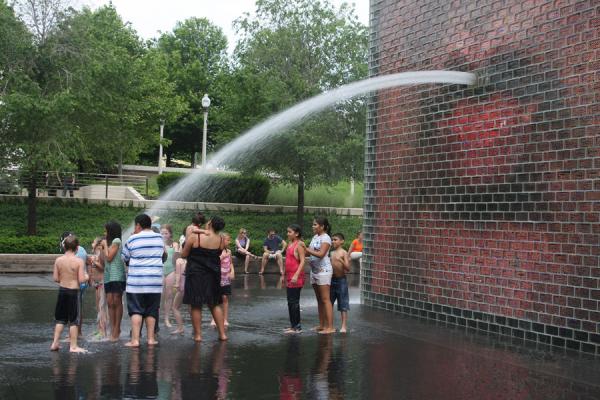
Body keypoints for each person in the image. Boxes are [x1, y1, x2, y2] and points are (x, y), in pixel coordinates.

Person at [181, 215, 228, 342]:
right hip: (213, 275)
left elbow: (184, 254)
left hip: (195, 274)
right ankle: (222, 334)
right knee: (214, 303)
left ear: (211, 223)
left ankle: (198, 335)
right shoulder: (222, 239)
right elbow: (217, 254)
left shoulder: (194, 237)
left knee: (196, 304)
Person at [121, 214, 165, 347]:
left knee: (136, 310)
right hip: (155, 282)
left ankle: (135, 340)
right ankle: (151, 339)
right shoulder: (159, 238)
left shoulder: (132, 239)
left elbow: (124, 257)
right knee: (152, 310)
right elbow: (163, 254)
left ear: (138, 225)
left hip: (137, 283)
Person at [50, 235, 89, 353]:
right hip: (73, 292)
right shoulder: (79, 261)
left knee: (60, 319)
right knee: (73, 320)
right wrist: (87, 276)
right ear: (77, 248)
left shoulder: (58, 260)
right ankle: (73, 346)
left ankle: (55, 343)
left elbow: (56, 278)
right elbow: (81, 279)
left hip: (62, 291)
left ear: (64, 247)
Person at [304, 217, 335, 334]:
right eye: (313, 224)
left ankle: (330, 327)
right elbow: (310, 252)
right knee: (319, 300)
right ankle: (322, 325)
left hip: (324, 271)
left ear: (322, 226)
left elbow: (321, 254)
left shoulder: (326, 238)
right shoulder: (315, 237)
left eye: (315, 224)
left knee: (326, 299)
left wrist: (306, 249)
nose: (313, 226)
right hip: (314, 271)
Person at [101, 221, 126, 342]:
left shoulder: (117, 241)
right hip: (108, 276)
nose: (104, 233)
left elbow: (109, 258)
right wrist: (99, 247)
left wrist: (105, 245)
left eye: (106, 231)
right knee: (110, 302)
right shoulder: (108, 243)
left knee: (117, 300)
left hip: (117, 275)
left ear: (111, 231)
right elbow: (103, 260)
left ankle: (117, 329)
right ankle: (112, 329)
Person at [284, 224, 306, 334]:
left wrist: (296, 275)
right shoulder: (290, 244)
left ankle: (297, 327)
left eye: (289, 232)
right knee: (290, 302)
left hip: (296, 277)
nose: (287, 234)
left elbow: (302, 261)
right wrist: (284, 274)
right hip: (289, 277)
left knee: (294, 302)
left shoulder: (299, 245)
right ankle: (293, 326)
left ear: (296, 233)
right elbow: (288, 260)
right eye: (287, 232)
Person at [212, 233, 234, 327]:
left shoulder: (229, 251)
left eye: (229, 240)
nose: (229, 242)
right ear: (221, 240)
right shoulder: (216, 251)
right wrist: (222, 256)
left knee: (225, 298)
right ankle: (214, 319)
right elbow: (213, 263)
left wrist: (232, 271)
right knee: (216, 299)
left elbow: (231, 263)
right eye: (227, 240)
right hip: (216, 278)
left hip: (226, 278)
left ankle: (225, 319)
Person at [330, 233, 351, 333]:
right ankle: (329, 325)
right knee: (329, 303)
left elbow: (348, 268)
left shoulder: (344, 252)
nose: (333, 241)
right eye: (332, 240)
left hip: (341, 280)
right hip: (331, 280)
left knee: (343, 304)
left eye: (335, 239)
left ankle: (343, 326)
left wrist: (341, 261)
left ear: (342, 241)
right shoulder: (331, 253)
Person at [160, 224, 180, 328]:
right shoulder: (158, 243)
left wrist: (177, 251)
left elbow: (177, 257)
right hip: (160, 270)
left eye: (166, 233)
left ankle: (167, 318)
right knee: (160, 295)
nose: (163, 235)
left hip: (171, 270)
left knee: (169, 295)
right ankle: (157, 315)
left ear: (170, 234)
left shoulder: (174, 244)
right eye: (162, 233)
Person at [90, 237, 109, 339]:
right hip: (96, 284)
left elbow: (104, 267)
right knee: (98, 308)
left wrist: (95, 262)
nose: (91, 243)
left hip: (101, 283)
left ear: (98, 245)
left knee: (102, 309)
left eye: (93, 242)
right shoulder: (96, 255)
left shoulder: (100, 254)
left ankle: (103, 331)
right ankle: (99, 329)